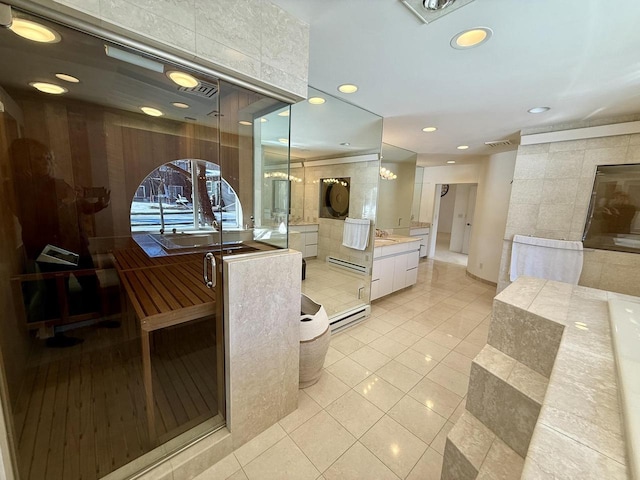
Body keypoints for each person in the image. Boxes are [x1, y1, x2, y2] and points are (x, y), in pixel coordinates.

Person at [9, 138, 111, 346]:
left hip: (75, 244)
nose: (45, 162)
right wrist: (65, 202)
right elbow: (34, 220)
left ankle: (99, 318)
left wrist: (100, 204)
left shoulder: (56, 183)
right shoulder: (18, 189)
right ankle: (56, 336)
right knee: (57, 289)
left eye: (48, 158)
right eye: (39, 159)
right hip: (51, 249)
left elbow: (80, 207)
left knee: (90, 282)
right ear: (24, 162)